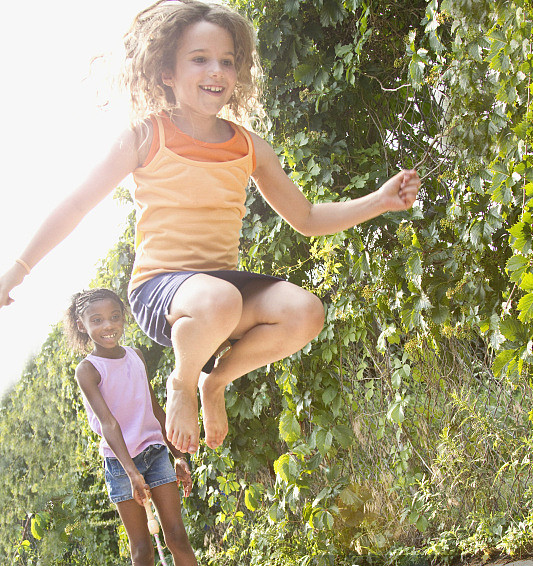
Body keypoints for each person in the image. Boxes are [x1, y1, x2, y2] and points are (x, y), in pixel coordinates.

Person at [0, 0, 420, 456]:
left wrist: (380, 201)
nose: (215, 71)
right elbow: (76, 204)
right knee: (219, 299)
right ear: (166, 72)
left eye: (227, 61)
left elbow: (307, 218)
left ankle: (212, 379)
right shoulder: (145, 135)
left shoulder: (249, 147)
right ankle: (181, 381)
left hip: (221, 293)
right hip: (162, 290)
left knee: (306, 311)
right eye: (199, 59)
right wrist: (17, 270)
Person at [64, 286, 238, 566]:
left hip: (156, 454)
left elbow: (154, 408)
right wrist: (130, 472)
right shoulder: (88, 369)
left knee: (177, 537)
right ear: (83, 325)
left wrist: (176, 455)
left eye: (114, 316)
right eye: (97, 320)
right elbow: (108, 423)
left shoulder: (136, 356)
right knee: (143, 550)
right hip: (120, 463)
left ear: (123, 316)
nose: (108, 326)